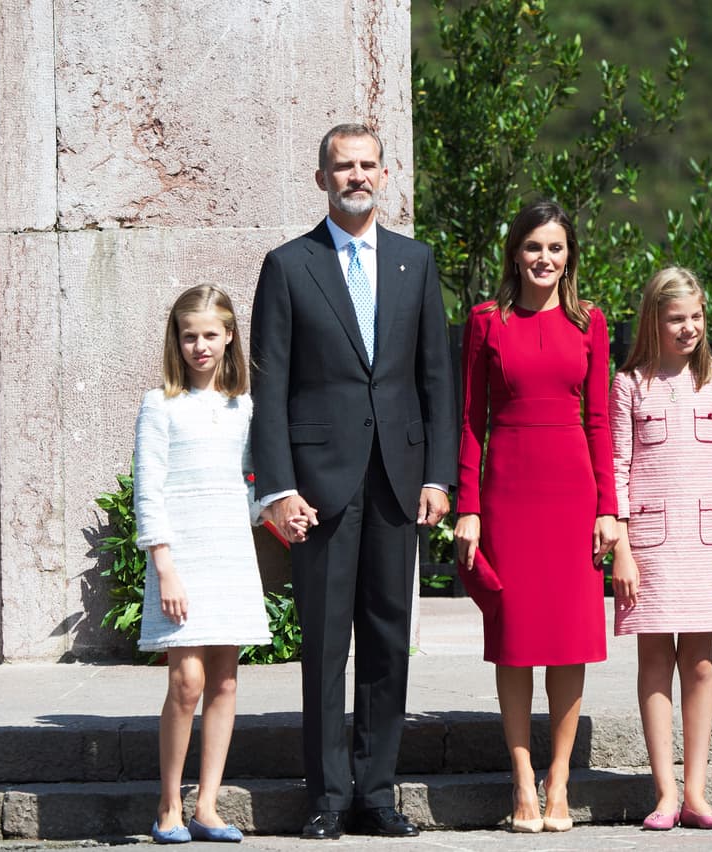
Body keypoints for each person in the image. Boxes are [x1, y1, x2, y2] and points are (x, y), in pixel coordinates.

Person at [249, 123, 457, 840]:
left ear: (385, 173)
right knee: (326, 645)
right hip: (319, 489)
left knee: (388, 639)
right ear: (321, 177)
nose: (356, 176)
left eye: (368, 165)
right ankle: (329, 797)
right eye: (343, 166)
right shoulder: (288, 266)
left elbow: (437, 378)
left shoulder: (415, 262)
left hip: (399, 483)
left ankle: (377, 791)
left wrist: (439, 475)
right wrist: (276, 488)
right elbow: (269, 387)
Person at [452, 200, 619, 833]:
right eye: (532, 247)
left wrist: (610, 509)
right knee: (516, 640)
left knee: (569, 641)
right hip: (508, 492)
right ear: (515, 255)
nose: (544, 258)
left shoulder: (591, 323)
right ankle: (521, 781)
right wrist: (467, 507)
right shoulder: (486, 322)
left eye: (554, 247)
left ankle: (559, 783)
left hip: (572, 491)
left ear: (568, 254)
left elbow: (600, 420)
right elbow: (470, 421)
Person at [134, 285, 299, 844]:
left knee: (224, 680)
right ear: (175, 341)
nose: (199, 346)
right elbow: (148, 491)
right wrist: (165, 567)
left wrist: (282, 515)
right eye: (189, 336)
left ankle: (207, 806)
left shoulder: (244, 408)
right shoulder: (159, 405)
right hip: (182, 557)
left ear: (229, 336)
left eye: (209, 334)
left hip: (229, 552)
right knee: (187, 680)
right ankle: (167, 806)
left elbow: (253, 489)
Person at [608, 266, 712, 832]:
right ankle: (665, 793)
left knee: (700, 663)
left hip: (707, 543)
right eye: (676, 319)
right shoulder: (630, 384)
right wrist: (621, 547)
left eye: (696, 317)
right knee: (653, 662)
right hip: (648, 546)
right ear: (654, 321)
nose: (688, 328)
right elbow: (616, 470)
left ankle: (696, 793)